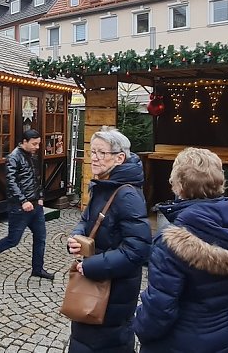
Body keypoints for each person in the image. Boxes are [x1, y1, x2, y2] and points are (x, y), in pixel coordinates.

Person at [132, 147, 228, 353]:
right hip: (223, 339)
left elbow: (160, 308)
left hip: (177, 344)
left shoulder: (172, 241)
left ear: (179, 186)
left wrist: (139, 326)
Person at [66, 127, 151, 353]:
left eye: (101, 153)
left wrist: (91, 266)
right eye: (92, 151)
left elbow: (138, 251)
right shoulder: (102, 184)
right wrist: (76, 237)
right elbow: (86, 220)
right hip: (95, 283)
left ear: (119, 157)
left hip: (113, 292)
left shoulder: (127, 195)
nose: (94, 157)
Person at [0, 129, 54, 280]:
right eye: (34, 144)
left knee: (40, 238)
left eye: (38, 144)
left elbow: (37, 178)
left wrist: (40, 197)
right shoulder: (13, 157)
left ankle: (37, 268)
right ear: (24, 142)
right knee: (13, 240)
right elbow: (11, 182)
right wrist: (23, 201)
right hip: (19, 207)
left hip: (36, 205)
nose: (37, 147)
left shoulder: (33, 156)